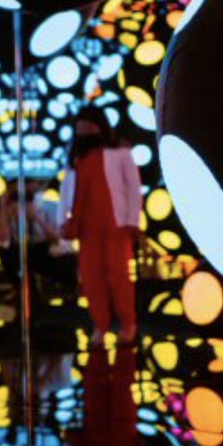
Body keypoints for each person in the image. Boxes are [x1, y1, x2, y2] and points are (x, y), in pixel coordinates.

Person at [61, 112, 143, 349]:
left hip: (116, 224)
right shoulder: (75, 160)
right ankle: (101, 324)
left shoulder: (121, 154)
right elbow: (68, 193)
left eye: (89, 127)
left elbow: (133, 189)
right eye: (81, 128)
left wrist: (133, 220)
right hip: (87, 227)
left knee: (119, 275)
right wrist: (64, 222)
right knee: (90, 276)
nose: (84, 132)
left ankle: (128, 323)